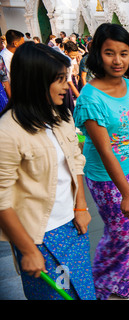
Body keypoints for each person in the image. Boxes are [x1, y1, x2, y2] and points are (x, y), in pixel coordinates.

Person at [0, 42, 96, 300]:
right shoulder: (8, 132)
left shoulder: (60, 115)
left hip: (73, 227)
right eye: (60, 79)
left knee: (83, 292)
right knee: (56, 296)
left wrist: (81, 207)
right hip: (39, 236)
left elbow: (75, 160)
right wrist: (28, 249)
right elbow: (2, 200)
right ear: (36, 81)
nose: (67, 85)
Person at [73, 23, 129, 300]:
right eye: (110, 53)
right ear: (98, 54)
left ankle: (121, 284)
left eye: (124, 53)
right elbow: (105, 150)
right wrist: (126, 193)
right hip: (105, 178)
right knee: (119, 235)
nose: (118, 60)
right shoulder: (90, 98)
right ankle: (99, 285)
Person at [63, 41, 80, 114]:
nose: (74, 58)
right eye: (73, 55)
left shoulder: (62, 57)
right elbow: (69, 81)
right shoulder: (67, 61)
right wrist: (79, 97)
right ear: (66, 52)